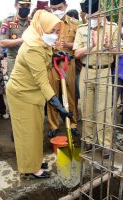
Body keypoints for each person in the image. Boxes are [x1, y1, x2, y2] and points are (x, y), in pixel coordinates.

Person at [6, 10, 71, 178]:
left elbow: (44, 61)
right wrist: (58, 105)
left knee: (35, 130)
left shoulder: (40, 40)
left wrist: (56, 54)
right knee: (26, 132)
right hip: (21, 93)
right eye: (52, 31)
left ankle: (34, 160)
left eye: (57, 32)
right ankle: (30, 169)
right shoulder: (32, 48)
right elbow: (43, 81)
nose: (55, 36)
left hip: (32, 92)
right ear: (41, 28)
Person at [73, 0, 119, 157]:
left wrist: (108, 46)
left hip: (105, 72)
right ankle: (89, 140)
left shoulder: (112, 28)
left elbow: (117, 54)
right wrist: (91, 46)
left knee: (104, 109)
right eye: (89, 16)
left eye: (94, 16)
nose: (91, 19)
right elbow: (76, 54)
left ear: (102, 13)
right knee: (86, 107)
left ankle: (105, 144)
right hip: (86, 71)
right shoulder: (82, 29)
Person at [47, 0, 80, 137]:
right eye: (54, 8)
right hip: (51, 63)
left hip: (68, 63)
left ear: (66, 6)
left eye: (60, 8)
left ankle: (72, 124)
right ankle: (53, 125)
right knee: (52, 95)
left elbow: (81, 44)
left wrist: (68, 44)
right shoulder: (47, 22)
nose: (57, 11)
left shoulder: (75, 24)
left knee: (71, 95)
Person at [0, 0, 31, 79]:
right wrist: (21, 40)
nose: (25, 8)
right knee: (15, 87)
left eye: (27, 5)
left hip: (30, 61)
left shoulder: (33, 22)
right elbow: (3, 43)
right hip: (14, 61)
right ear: (16, 5)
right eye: (22, 5)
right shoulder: (8, 21)